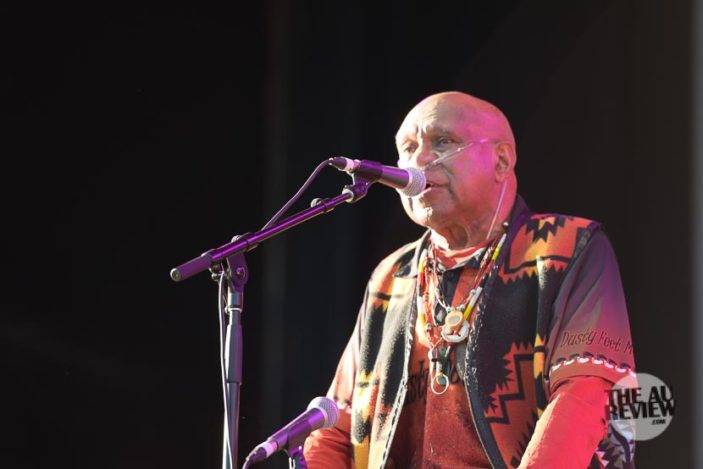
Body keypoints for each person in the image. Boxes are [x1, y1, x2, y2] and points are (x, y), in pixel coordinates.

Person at [304, 91, 636, 468]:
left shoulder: (567, 248)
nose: (418, 160)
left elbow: (585, 393)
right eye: (408, 148)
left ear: (501, 160)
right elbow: (337, 423)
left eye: (443, 141)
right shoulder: (392, 275)